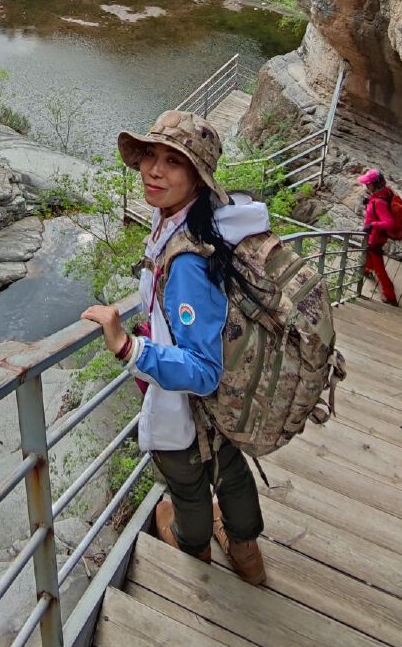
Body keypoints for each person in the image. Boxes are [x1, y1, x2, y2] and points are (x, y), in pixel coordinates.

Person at [82, 109, 268, 583]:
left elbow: (202, 370)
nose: (153, 169)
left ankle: (197, 552)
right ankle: (247, 556)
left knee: (187, 486)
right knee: (228, 464)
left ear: (198, 178)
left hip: (190, 398)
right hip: (228, 395)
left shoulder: (188, 259)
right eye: (150, 155)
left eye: (173, 161)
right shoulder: (208, 223)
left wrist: (129, 348)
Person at [356, 168, 398, 305]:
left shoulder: (379, 202)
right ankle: (366, 269)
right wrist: (369, 201)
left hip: (375, 238)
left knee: (379, 268)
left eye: (368, 184)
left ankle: (389, 295)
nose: (366, 186)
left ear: (375, 184)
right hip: (376, 237)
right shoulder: (384, 192)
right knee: (368, 254)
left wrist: (372, 225)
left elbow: (389, 222)